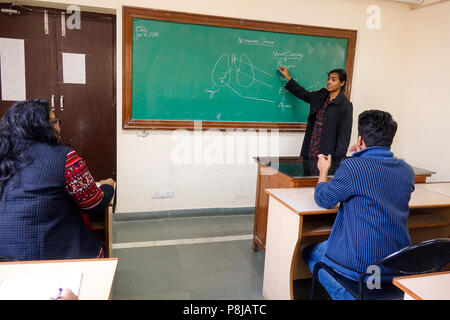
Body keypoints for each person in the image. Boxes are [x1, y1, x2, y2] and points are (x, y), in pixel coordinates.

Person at [303, 109, 415, 300]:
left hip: (364, 266)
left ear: (360, 140)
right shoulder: (406, 170)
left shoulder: (353, 167)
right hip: (398, 263)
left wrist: (323, 171)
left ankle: (351, 296)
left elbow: (323, 199)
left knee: (310, 253)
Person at [0, 99, 115, 261]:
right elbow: (93, 204)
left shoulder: (4, 155)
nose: (59, 125)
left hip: (5, 259)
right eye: (55, 121)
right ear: (43, 127)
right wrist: (108, 187)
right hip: (54, 256)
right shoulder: (65, 157)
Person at [277, 66, 353, 159]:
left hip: (328, 151)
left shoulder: (345, 105)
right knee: (307, 171)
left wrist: (337, 161)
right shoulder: (321, 95)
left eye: (333, 80)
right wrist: (288, 77)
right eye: (328, 79)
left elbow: (344, 137)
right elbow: (304, 94)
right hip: (311, 143)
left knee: (321, 173)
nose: (329, 82)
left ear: (342, 83)